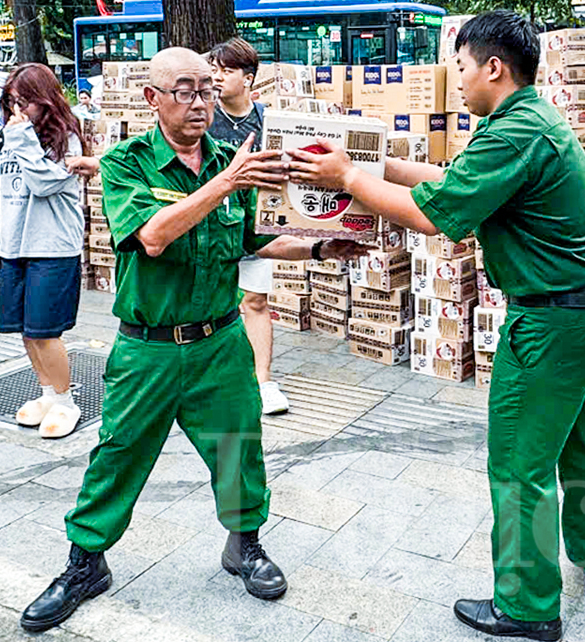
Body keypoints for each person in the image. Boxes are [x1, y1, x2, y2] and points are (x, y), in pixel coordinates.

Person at [289, 11, 585, 642]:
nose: (459, 80)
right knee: (582, 437)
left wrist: (347, 179)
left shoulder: (511, 133)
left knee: (521, 463)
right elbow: (453, 185)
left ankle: (527, 607)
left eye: (463, 68)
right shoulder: (531, 120)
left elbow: (433, 218)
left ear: (493, 68)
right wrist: (379, 167)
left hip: (552, 322)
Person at [20, 48, 367, 633]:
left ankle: (244, 546)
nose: (200, 102)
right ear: (152, 98)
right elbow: (152, 235)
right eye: (185, 90)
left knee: (239, 446)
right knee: (118, 455)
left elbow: (254, 240)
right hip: (148, 347)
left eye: (207, 90)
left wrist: (318, 247)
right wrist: (224, 182)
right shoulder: (128, 163)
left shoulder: (233, 162)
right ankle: (85, 564)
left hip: (220, 344)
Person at [0, 64, 97, 440]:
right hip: (11, 244)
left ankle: (65, 401)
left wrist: (24, 137)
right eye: (12, 102)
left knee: (46, 331)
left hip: (52, 246)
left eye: (25, 102)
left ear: (45, 100)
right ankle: (46, 394)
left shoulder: (66, 138)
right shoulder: (5, 137)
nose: (18, 110)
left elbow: (44, 183)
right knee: (26, 331)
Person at [208, 37, 288, 415]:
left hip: (254, 225)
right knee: (211, 305)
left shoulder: (269, 119)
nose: (217, 77)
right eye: (214, 69)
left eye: (226, 70)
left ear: (249, 78)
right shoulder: (203, 117)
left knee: (255, 302)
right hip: (210, 228)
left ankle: (264, 382)